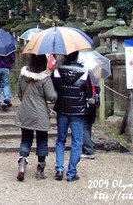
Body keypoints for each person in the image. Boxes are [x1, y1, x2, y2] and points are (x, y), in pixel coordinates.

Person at [51, 50, 93, 182]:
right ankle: (71, 172)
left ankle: (59, 168)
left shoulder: (57, 72)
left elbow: (54, 89)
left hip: (62, 108)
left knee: (61, 139)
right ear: (77, 56)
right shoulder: (85, 72)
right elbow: (89, 93)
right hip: (78, 110)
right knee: (77, 141)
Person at [15, 54, 57, 181]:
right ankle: (40, 170)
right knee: (42, 140)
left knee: (26, 139)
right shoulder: (45, 78)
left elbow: (19, 94)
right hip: (40, 114)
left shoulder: (23, 76)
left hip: (25, 112)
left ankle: (22, 163)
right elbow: (51, 96)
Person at [81, 70, 100, 160]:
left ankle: (89, 150)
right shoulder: (94, 78)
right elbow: (98, 90)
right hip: (94, 104)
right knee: (88, 127)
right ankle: (86, 147)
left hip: (87, 104)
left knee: (84, 128)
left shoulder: (85, 77)